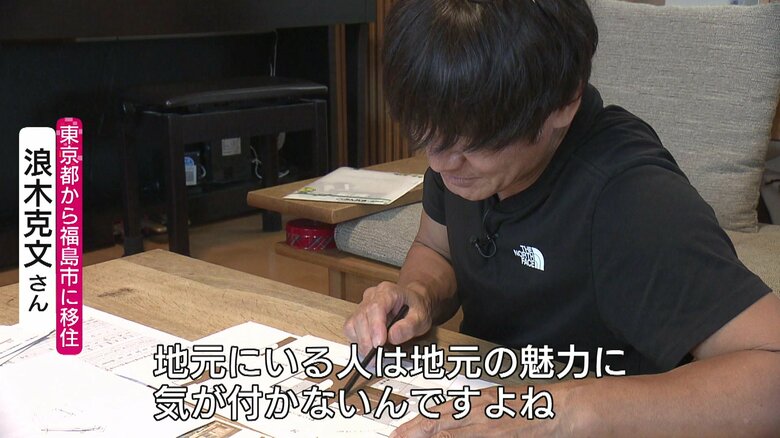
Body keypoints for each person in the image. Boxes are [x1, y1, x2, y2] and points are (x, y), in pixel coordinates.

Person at [342, 0, 780, 436]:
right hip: (492, 389)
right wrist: (418, 294)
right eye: (426, 136)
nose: (439, 164)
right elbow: (436, 247)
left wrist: (557, 412)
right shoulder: (461, 161)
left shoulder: (633, 200)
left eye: (471, 143)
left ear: (564, 102)